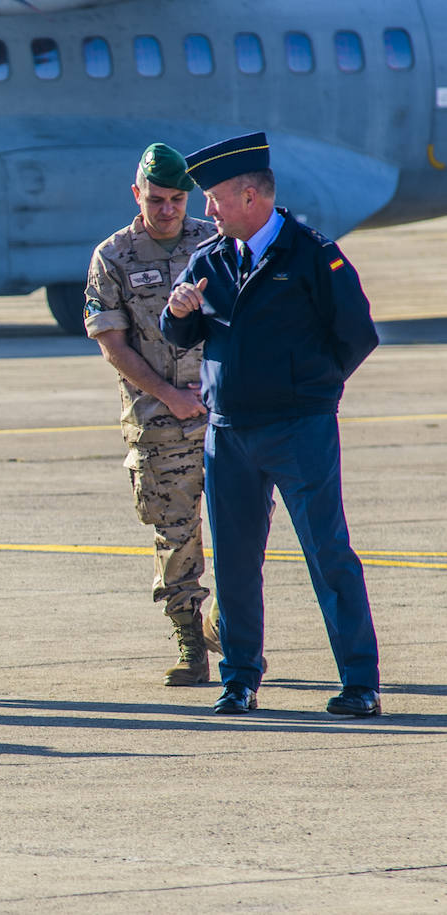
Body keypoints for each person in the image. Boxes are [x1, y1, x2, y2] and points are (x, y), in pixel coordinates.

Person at [162, 132, 381, 716]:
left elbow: (357, 335)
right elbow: (183, 334)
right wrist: (176, 312)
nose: (207, 210)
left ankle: (360, 683)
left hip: (299, 428)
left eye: (215, 199)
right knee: (235, 562)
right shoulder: (210, 258)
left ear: (250, 196)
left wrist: (311, 391)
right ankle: (240, 678)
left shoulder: (311, 254)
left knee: (328, 554)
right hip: (228, 434)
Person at [85, 143, 218, 686]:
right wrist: (169, 395)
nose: (167, 210)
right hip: (160, 423)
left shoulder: (213, 243)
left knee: (245, 528)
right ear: (136, 194)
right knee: (175, 531)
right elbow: (113, 344)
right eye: (156, 199)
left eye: (176, 200)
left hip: (222, 415)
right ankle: (191, 643)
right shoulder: (113, 257)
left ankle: (226, 624)